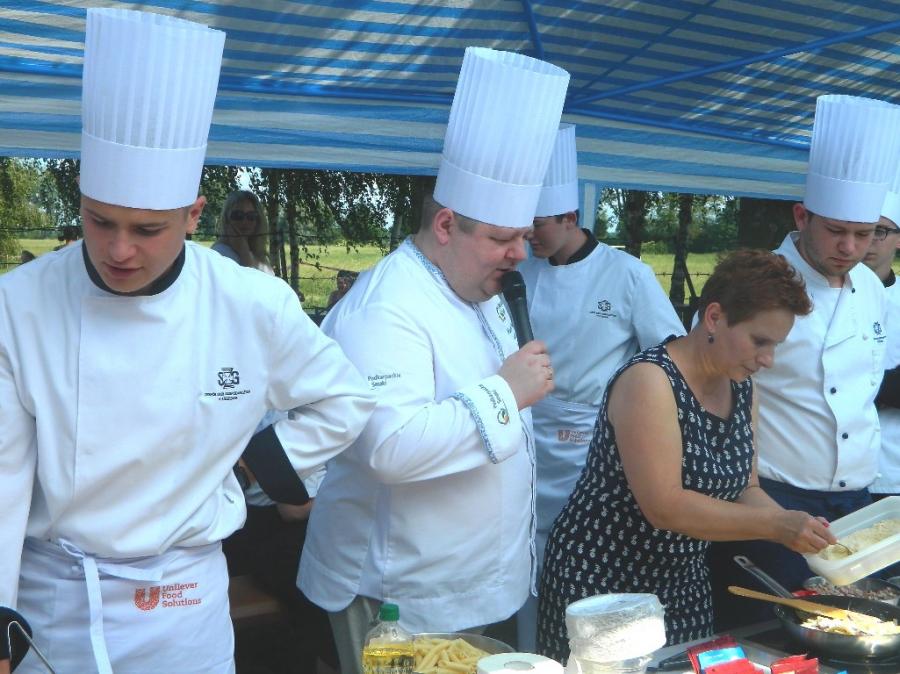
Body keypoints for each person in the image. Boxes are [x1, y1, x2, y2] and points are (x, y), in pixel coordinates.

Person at [0, 9, 374, 674]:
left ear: (193, 215)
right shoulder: (18, 304)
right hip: (54, 605)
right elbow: (2, 474)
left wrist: (254, 460)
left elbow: (345, 399)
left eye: (147, 230)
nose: (118, 250)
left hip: (184, 607)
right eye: (100, 222)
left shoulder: (250, 302)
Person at [299, 46, 569, 674]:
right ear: (446, 225)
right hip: (396, 600)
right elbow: (389, 448)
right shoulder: (385, 307)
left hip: (472, 588)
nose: (520, 254)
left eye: (523, 236)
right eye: (501, 238)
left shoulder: (477, 288)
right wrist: (506, 393)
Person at [536, 249, 834, 660]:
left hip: (683, 584)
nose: (768, 359)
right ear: (714, 317)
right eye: (759, 341)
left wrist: (802, 530)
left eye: (776, 345)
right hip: (602, 583)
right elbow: (665, 506)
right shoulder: (650, 379)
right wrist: (776, 525)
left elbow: (745, 487)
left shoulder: (742, 387)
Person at [709, 94, 900, 629]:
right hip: (775, 499)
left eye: (865, 233)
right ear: (802, 215)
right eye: (836, 231)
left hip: (859, 504)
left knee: (858, 632)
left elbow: (866, 388)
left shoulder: (871, 288)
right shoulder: (758, 283)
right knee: (774, 633)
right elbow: (710, 391)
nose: (851, 248)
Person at [516, 124, 686, 651]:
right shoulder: (522, 272)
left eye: (537, 225)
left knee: (584, 558)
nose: (528, 237)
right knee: (526, 552)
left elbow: (669, 358)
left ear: (570, 217)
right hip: (527, 432)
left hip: (595, 444)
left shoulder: (627, 274)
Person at [868, 170, 900, 500]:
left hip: (895, 474)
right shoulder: (812, 299)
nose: (867, 240)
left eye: (879, 231)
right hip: (830, 477)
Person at [212, 190, 273, 272]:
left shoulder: (259, 255)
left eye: (251, 216)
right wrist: (244, 255)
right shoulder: (220, 253)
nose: (245, 221)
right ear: (227, 219)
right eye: (238, 215)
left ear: (258, 220)